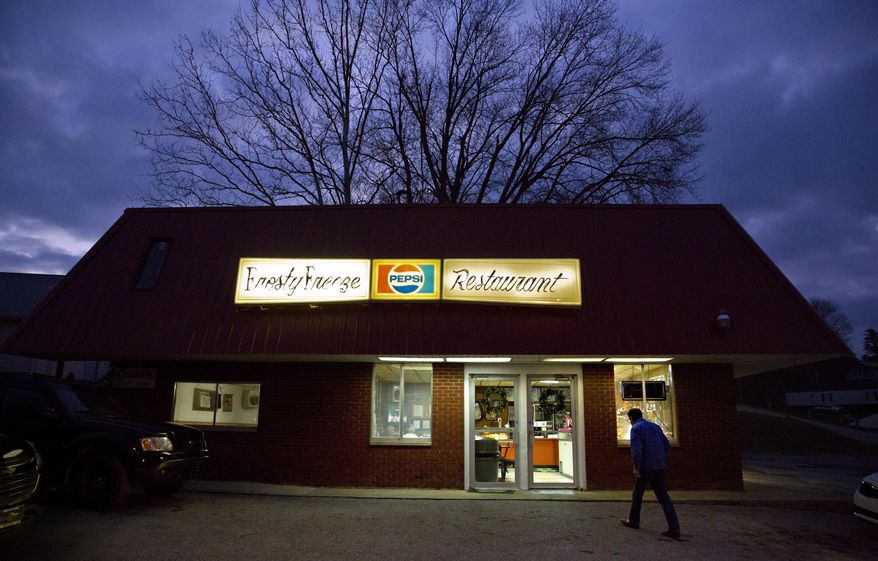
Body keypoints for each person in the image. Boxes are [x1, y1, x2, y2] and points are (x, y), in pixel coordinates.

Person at [621, 408, 681, 539]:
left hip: (645, 467)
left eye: (629, 419)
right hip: (659, 467)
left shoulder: (636, 428)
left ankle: (633, 520)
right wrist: (662, 460)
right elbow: (667, 445)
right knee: (664, 497)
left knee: (637, 494)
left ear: (631, 418)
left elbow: (637, 450)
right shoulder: (655, 427)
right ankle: (674, 527)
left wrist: (637, 468)